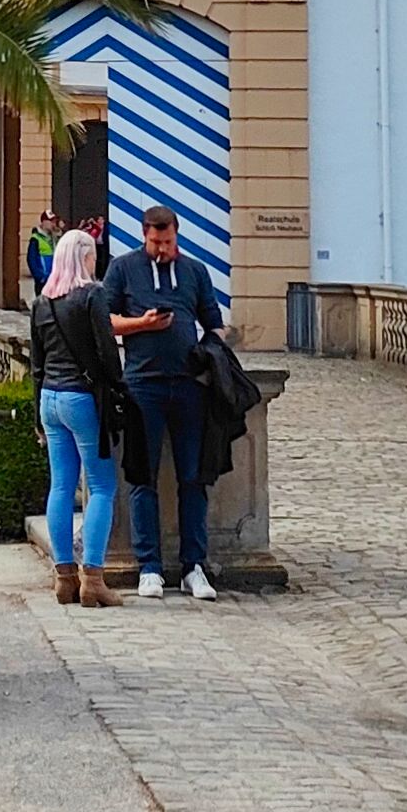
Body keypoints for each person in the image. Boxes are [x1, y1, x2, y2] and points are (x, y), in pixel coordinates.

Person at [102, 203, 228, 599]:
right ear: (144, 235)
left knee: (193, 476)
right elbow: (104, 321)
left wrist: (210, 352)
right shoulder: (123, 269)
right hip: (143, 386)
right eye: (156, 242)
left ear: (177, 236)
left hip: (189, 386)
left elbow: (215, 323)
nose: (162, 249)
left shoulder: (195, 271)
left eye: (168, 242)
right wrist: (142, 324)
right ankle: (149, 567)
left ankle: (194, 566)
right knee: (143, 477)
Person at [26, 224, 123, 607]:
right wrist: (117, 385)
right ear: (84, 258)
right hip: (81, 399)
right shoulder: (91, 296)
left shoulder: (41, 302)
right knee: (101, 486)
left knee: (61, 487)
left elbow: (36, 365)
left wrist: (37, 414)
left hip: (49, 399)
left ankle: (64, 576)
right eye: (93, 256)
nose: (95, 262)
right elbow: (106, 351)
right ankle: (93, 579)